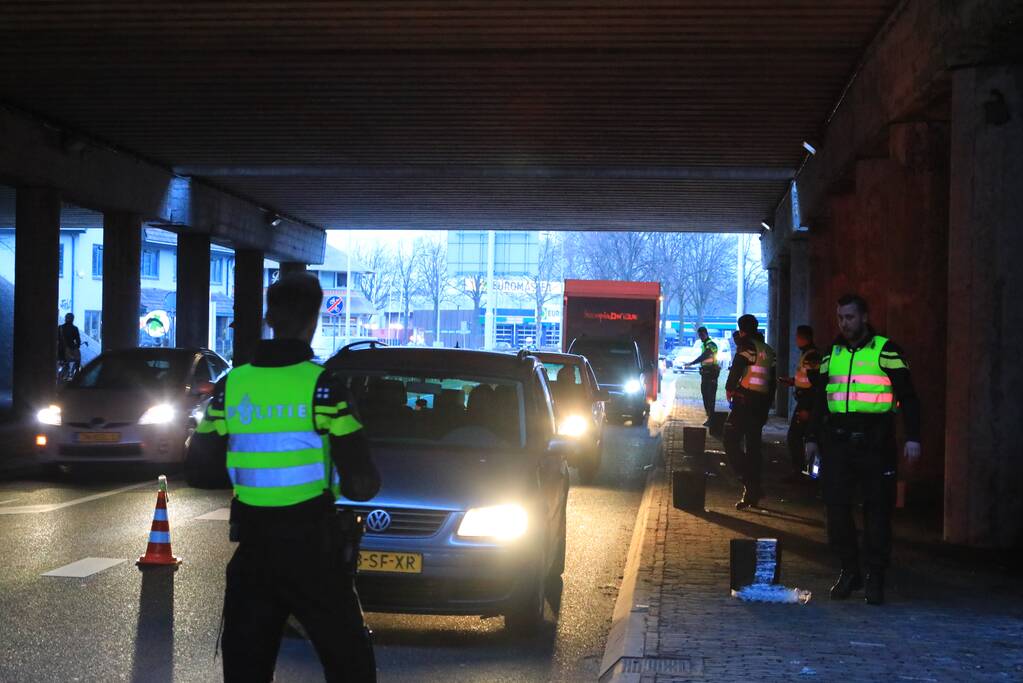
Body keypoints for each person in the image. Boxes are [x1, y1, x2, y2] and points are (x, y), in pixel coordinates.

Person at [186, 272, 381, 682]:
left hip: (254, 553)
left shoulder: (232, 385)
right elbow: (363, 483)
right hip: (315, 551)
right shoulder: (324, 387)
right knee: (351, 663)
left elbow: (200, 471)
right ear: (314, 320)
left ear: (269, 318)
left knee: (246, 667)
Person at [804, 294, 920, 606]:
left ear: (865, 317)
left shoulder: (886, 350)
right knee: (836, 510)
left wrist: (913, 437)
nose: (845, 323)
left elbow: (908, 396)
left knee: (878, 512)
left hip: (875, 443)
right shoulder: (832, 353)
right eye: (841, 317)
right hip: (838, 443)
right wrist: (812, 438)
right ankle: (849, 571)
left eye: (850, 317)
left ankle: (875, 576)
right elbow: (819, 399)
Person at [723, 314, 777, 509]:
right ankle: (752, 492)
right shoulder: (769, 351)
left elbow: (735, 372)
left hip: (743, 402)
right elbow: (772, 383)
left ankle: (749, 482)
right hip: (760, 405)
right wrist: (767, 406)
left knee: (729, 440)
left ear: (742, 330)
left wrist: (729, 390)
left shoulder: (746, 349)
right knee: (754, 447)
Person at [779, 325, 820, 478]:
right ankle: (803, 471)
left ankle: (800, 472)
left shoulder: (811, 356)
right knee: (798, 437)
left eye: (797, 336)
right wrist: (793, 381)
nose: (795, 340)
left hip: (807, 402)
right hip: (804, 400)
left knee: (795, 436)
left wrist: (807, 408)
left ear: (803, 338)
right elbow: (806, 379)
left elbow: (816, 384)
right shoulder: (807, 354)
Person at [684, 326, 720, 425]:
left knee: (710, 397)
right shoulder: (704, 344)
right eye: (699, 335)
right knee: (706, 396)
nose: (700, 337)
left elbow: (706, 355)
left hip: (711, 374)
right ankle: (710, 418)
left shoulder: (711, 344)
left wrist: (692, 363)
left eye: (702, 335)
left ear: (706, 333)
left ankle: (711, 419)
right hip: (706, 373)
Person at [57, 313, 82, 379]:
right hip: (70, 352)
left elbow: (56, 339)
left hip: (60, 353)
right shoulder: (75, 328)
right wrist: (77, 346)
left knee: (62, 364)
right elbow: (78, 341)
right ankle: (77, 373)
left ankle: (61, 375)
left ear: (65, 319)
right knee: (77, 359)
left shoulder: (60, 328)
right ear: (73, 319)